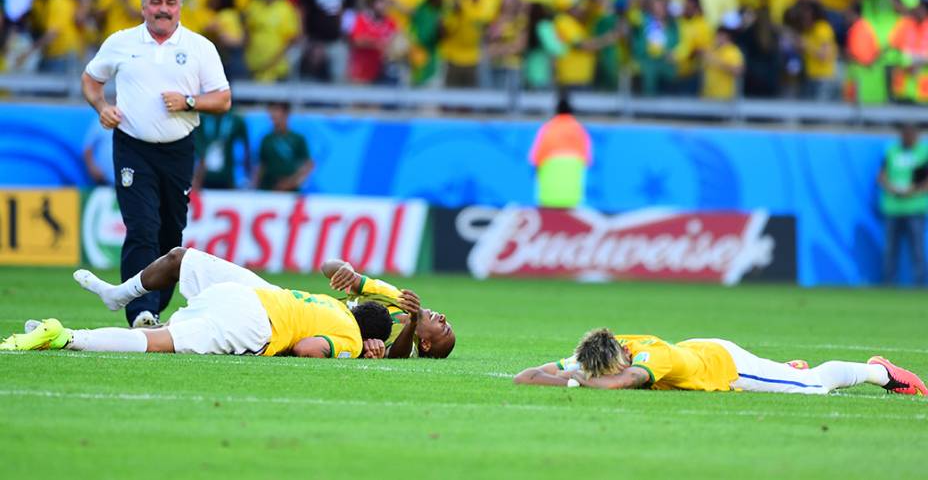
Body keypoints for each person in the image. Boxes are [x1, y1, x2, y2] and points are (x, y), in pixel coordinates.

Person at [80, 0, 232, 328]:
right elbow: (91, 80)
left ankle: (155, 306)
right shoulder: (121, 42)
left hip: (178, 150)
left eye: (170, 3)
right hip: (132, 147)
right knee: (141, 226)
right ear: (143, 6)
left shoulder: (199, 47)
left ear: (180, 7)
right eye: (156, 2)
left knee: (170, 232)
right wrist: (102, 107)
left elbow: (222, 99)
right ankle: (140, 311)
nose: (163, 9)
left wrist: (189, 101)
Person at [0, 248, 396, 359]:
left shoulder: (332, 303)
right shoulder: (352, 338)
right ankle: (66, 336)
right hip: (255, 324)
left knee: (180, 262)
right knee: (159, 343)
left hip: (246, 295)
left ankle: (58, 330)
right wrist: (355, 353)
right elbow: (308, 348)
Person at [514, 328, 927, 396]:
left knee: (815, 387)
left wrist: (575, 381)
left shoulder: (650, 358)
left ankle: (880, 372)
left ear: (623, 358)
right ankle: (786, 370)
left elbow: (617, 383)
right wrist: (569, 374)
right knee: (786, 377)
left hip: (723, 364)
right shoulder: (601, 351)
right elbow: (524, 377)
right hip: (699, 348)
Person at [323, 259, 456, 358]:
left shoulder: (405, 343)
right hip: (315, 305)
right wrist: (345, 268)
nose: (443, 317)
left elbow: (397, 355)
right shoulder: (395, 295)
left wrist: (412, 322)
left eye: (444, 329)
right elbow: (326, 266)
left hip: (318, 329)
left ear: (426, 344)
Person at [878, 123, 928, 286]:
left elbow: (924, 180)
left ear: (915, 136)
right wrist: (891, 188)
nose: (907, 137)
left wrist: (911, 191)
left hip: (915, 208)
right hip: (892, 208)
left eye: (910, 134)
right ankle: (888, 285)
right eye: (904, 134)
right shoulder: (892, 152)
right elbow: (881, 177)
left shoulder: (923, 153)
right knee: (890, 250)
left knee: (917, 250)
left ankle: (919, 285)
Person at [527, 94, 592, 209]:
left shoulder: (548, 129)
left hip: (548, 197)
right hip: (573, 198)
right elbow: (587, 161)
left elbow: (535, 159)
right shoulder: (580, 130)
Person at [253, 101, 314, 191]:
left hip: (291, 190)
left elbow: (308, 165)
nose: (273, 115)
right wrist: (255, 185)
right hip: (268, 188)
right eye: (271, 112)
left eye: (277, 111)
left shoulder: (297, 139)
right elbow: (261, 165)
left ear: (286, 114)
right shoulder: (266, 139)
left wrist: (292, 182)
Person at [192, 109, 250, 190]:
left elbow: (246, 147)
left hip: (227, 176)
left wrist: (246, 175)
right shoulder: (201, 119)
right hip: (203, 176)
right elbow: (195, 144)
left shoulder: (236, 120)